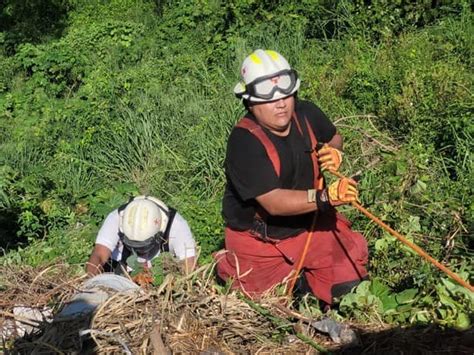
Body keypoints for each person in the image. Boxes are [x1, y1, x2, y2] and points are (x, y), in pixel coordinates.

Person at [215, 49, 368, 306]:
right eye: (268, 98)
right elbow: (274, 202)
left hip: (310, 225)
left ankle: (306, 278)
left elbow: (334, 137)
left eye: (286, 94)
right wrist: (325, 196)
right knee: (264, 308)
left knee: (349, 288)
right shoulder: (244, 142)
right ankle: (229, 264)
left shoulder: (306, 113)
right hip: (260, 241)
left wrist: (334, 152)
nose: (280, 103)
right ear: (249, 102)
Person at [86, 195, 196, 282]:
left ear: (159, 233)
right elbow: (99, 256)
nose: (139, 251)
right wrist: (91, 283)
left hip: (161, 278)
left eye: (143, 246)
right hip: (119, 272)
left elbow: (189, 267)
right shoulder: (116, 218)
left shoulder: (177, 225)